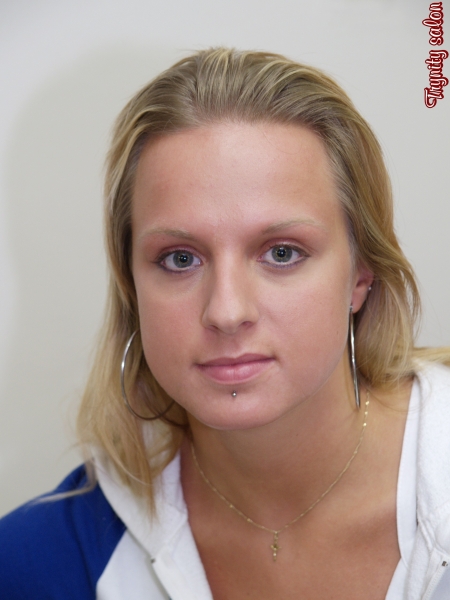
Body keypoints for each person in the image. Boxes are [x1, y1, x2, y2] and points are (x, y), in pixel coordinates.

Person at [1, 47, 450, 600]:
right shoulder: (37, 565)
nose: (227, 312)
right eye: (180, 259)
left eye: (281, 253)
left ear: (361, 275)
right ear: (131, 287)